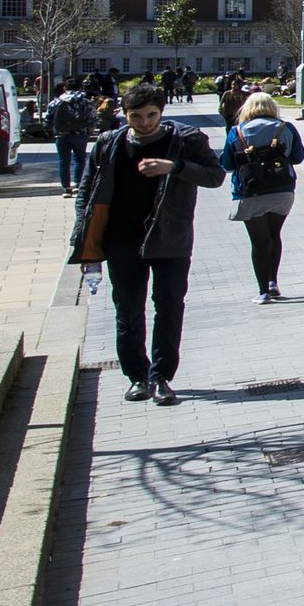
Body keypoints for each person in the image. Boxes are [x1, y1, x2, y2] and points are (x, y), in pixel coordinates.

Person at [69, 84, 223, 405]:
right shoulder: (109, 143)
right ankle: (137, 377)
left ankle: (162, 376)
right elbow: (87, 191)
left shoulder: (186, 140)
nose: (144, 122)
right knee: (128, 310)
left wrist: (174, 167)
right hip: (121, 240)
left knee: (168, 306)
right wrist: (83, 237)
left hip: (170, 238)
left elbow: (215, 175)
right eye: (136, 116)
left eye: (151, 115)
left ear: (162, 112)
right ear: (125, 115)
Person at [222, 92, 304, 304]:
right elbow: (298, 157)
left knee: (259, 242)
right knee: (274, 235)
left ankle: (262, 291)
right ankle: (273, 282)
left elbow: (227, 164)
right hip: (282, 189)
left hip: (250, 191)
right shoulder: (285, 128)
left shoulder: (236, 131)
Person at [48, 77, 96, 198]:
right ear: (80, 88)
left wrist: (50, 131)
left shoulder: (56, 101)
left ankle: (66, 188)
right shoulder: (86, 101)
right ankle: (78, 184)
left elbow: (48, 118)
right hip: (80, 134)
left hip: (61, 135)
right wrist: (89, 131)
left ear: (65, 88)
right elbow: (93, 118)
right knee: (80, 159)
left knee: (63, 161)